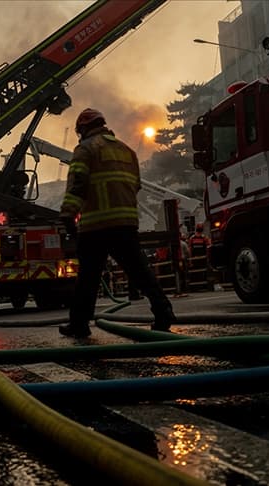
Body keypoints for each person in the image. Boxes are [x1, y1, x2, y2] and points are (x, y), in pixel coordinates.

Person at [58, 108, 176, 338]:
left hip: (96, 225)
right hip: (126, 223)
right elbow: (136, 184)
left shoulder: (85, 149)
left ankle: (79, 325)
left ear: (83, 129)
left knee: (88, 278)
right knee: (140, 270)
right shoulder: (127, 151)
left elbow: (78, 185)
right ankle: (164, 312)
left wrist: (67, 214)